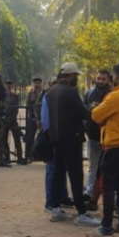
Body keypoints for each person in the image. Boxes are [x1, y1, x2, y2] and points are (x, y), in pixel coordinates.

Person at [46, 62, 101, 227]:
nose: (76, 79)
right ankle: (82, 213)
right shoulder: (70, 92)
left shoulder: (51, 92)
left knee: (58, 174)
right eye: (75, 76)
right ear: (69, 76)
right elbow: (83, 113)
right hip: (72, 139)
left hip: (56, 138)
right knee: (76, 176)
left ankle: (56, 208)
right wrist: (93, 108)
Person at [86, 62, 119, 237]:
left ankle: (106, 227)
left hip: (114, 146)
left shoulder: (115, 96)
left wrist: (96, 110)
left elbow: (96, 115)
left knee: (108, 187)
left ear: (116, 76)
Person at [39, 76, 73, 213]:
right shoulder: (48, 97)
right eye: (53, 83)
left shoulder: (61, 97)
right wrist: (50, 135)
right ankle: (50, 202)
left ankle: (63, 197)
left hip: (62, 137)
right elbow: (45, 120)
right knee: (52, 169)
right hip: (51, 137)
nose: (55, 85)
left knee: (62, 168)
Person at [83, 69, 111, 204]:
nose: (100, 81)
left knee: (109, 168)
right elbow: (84, 112)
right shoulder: (89, 94)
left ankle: (110, 194)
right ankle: (89, 192)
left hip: (109, 137)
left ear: (109, 80)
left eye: (103, 79)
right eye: (99, 78)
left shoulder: (112, 94)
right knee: (93, 166)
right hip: (93, 135)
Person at [3, 80, 27, 165]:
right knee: (4, 140)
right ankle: (7, 157)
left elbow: (16, 108)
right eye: (7, 84)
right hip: (5, 119)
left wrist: (12, 117)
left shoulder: (15, 96)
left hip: (13, 120)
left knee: (17, 138)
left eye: (10, 84)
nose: (8, 86)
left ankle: (20, 157)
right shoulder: (3, 95)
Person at [25, 77, 43, 162]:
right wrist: (28, 115)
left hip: (41, 117)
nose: (37, 85)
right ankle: (29, 156)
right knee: (30, 137)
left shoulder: (44, 93)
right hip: (32, 118)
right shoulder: (31, 94)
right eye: (35, 83)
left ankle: (42, 156)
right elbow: (28, 105)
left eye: (38, 83)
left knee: (43, 137)